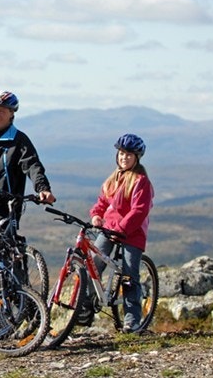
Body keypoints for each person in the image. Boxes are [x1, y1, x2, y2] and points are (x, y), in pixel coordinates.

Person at [83, 133, 154, 332]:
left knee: (129, 277)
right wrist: (97, 215)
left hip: (132, 234)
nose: (124, 158)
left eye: (129, 155)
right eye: (122, 154)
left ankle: (132, 320)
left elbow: (139, 211)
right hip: (108, 230)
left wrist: (121, 229)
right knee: (92, 265)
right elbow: (102, 202)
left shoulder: (141, 182)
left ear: (137, 158)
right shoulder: (113, 180)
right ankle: (87, 306)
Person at [0, 90, 55, 221]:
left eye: (2, 111)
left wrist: (43, 188)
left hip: (3, 212)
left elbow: (33, 166)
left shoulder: (19, 141)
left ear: (11, 113)